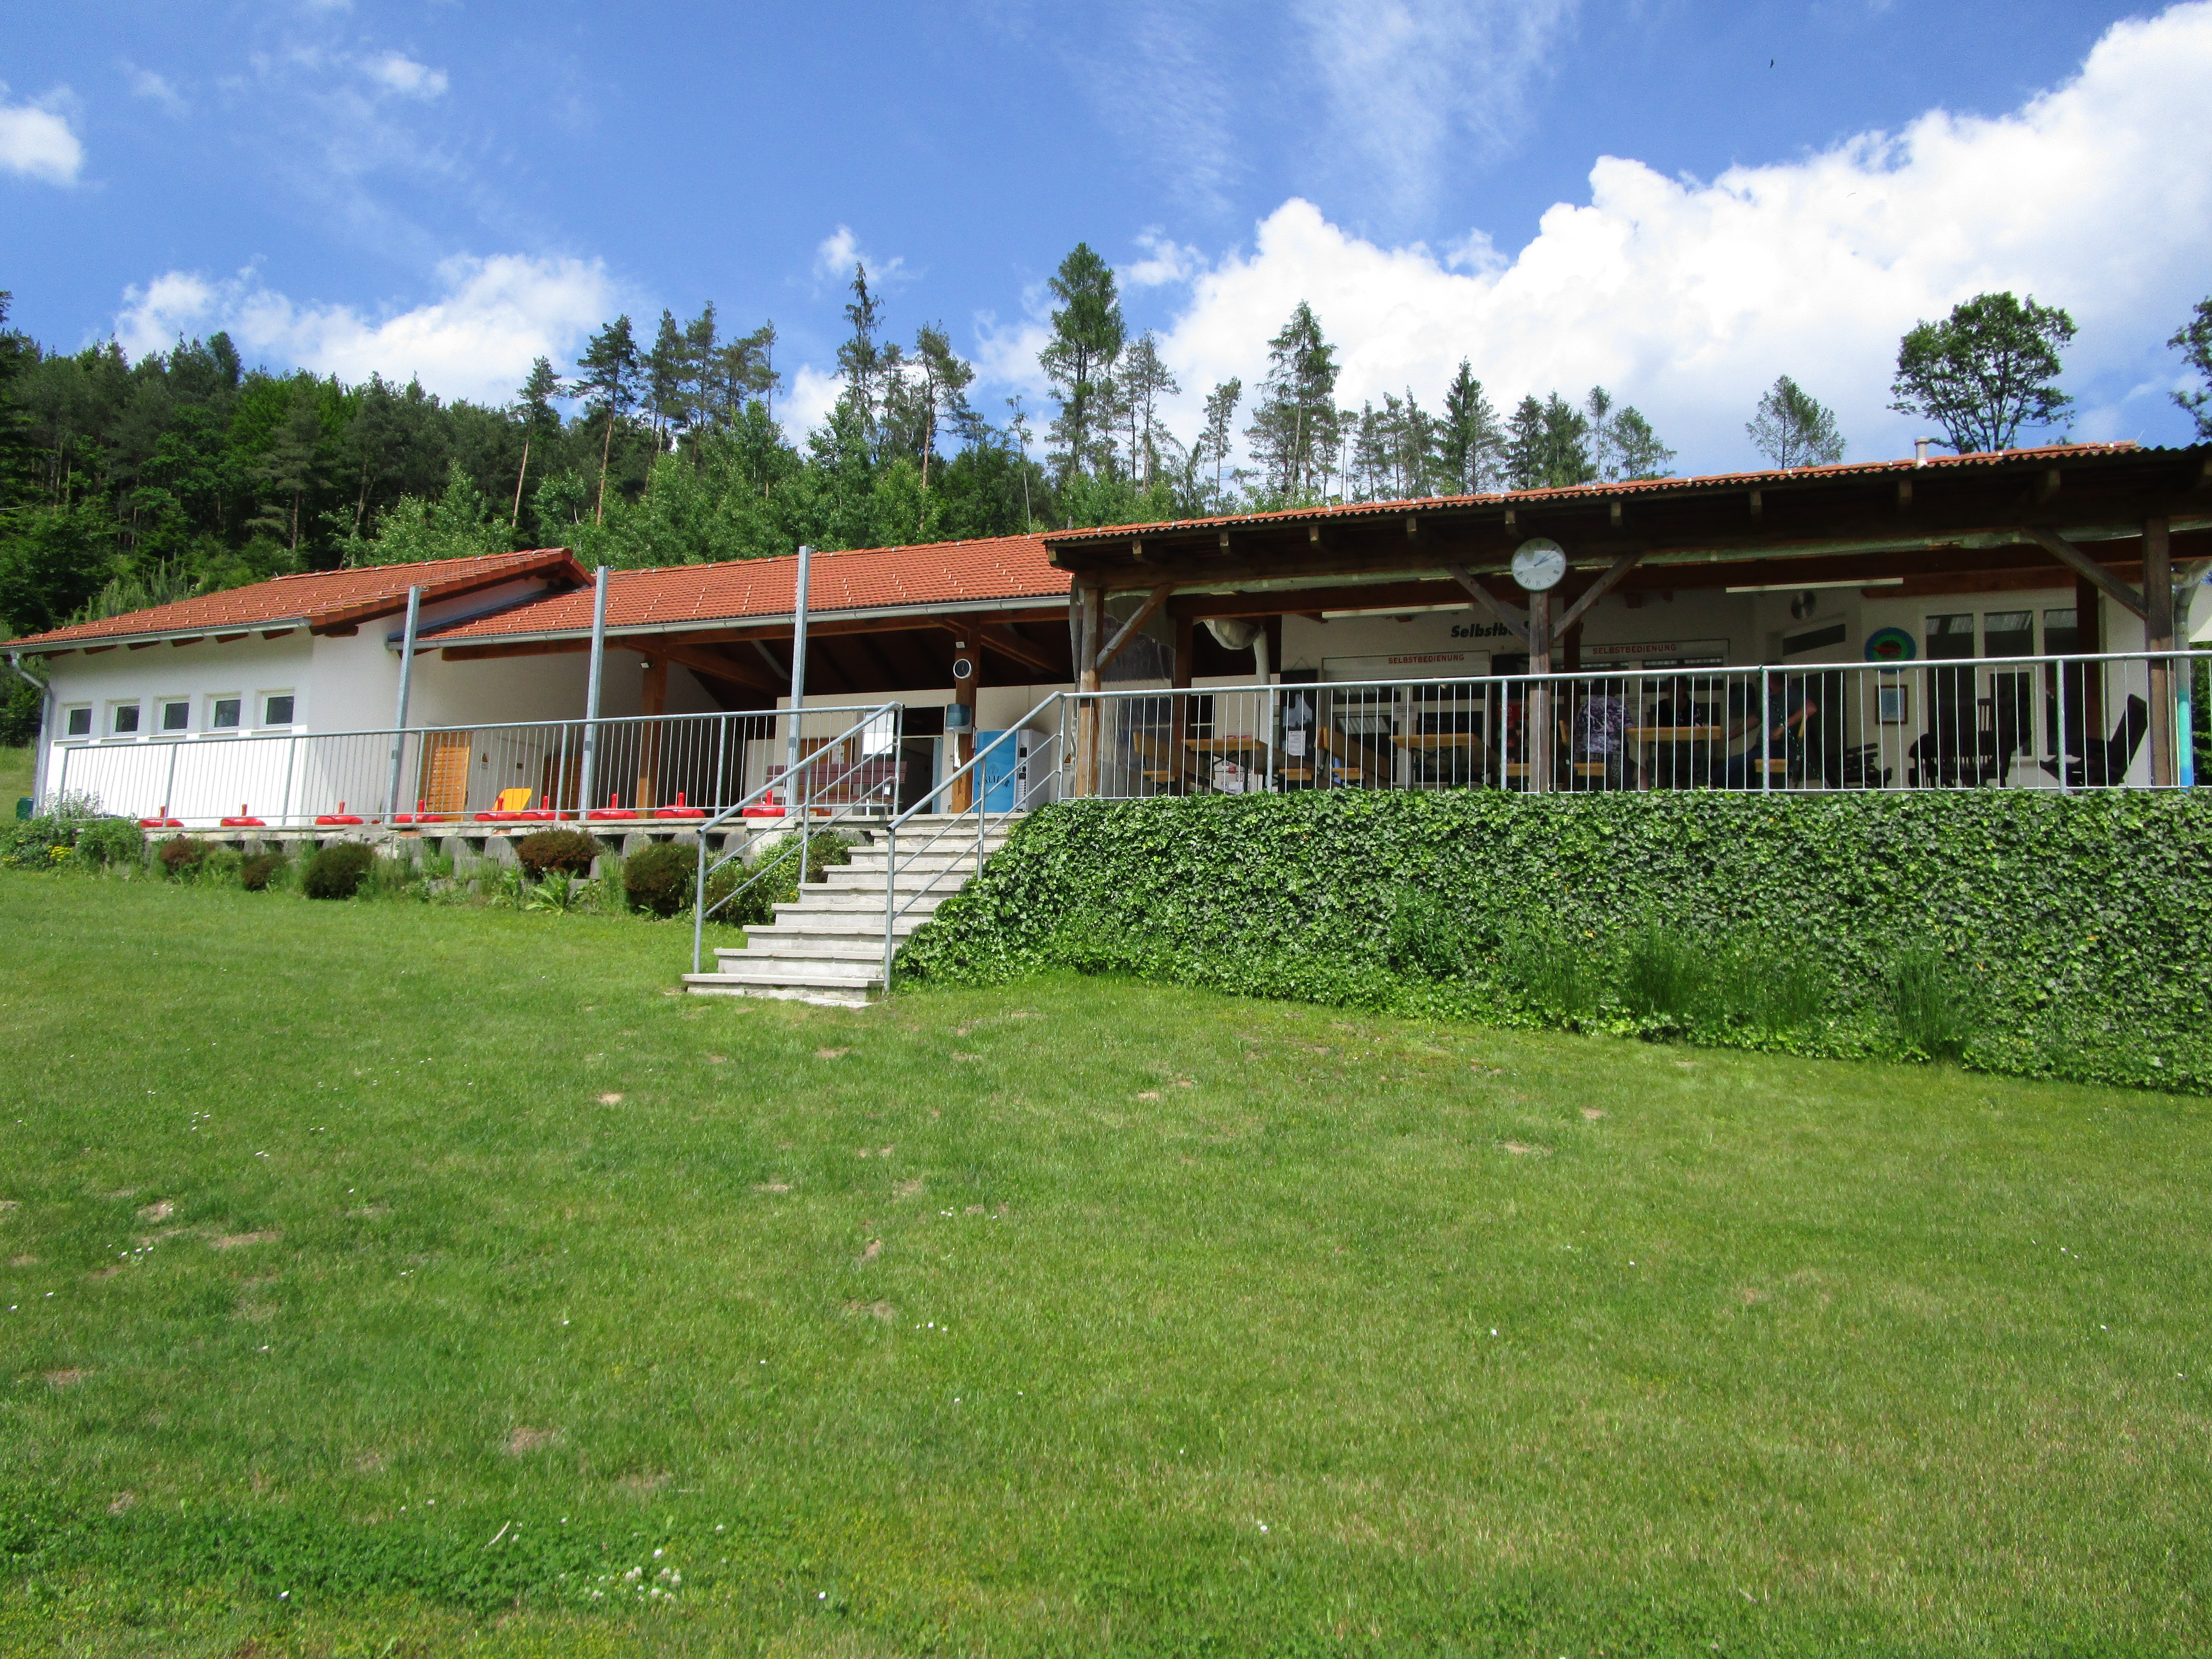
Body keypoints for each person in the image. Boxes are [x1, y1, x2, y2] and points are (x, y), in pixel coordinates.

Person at [1722, 672, 1817, 787]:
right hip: (1762, 749)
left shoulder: (1790, 694)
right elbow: (1755, 719)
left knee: (1730, 768)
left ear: (1769, 679)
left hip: (1780, 749)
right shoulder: (1771, 698)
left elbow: (1811, 708)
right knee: (1736, 769)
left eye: (1760, 679)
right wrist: (1727, 737)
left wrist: (1782, 727)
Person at [1571, 684, 1634, 790]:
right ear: (1615, 689)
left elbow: (1576, 728)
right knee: (1641, 773)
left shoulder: (1586, 704)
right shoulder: (1615, 703)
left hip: (1583, 756)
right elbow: (1629, 729)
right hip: (1609, 757)